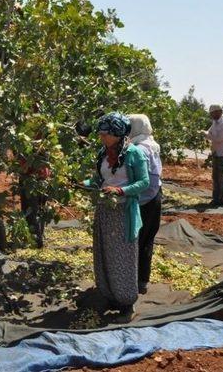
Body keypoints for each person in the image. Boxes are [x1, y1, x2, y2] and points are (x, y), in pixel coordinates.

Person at [83, 112, 149, 322]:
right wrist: (79, 183)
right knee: (105, 254)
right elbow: (97, 179)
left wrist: (121, 191)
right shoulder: (103, 153)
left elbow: (144, 182)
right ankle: (111, 295)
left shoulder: (134, 154)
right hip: (104, 211)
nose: (101, 138)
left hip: (123, 213)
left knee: (123, 257)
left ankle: (127, 304)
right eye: (101, 134)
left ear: (117, 134)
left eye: (105, 134)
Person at [128, 114, 162, 295]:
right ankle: (142, 280)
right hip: (155, 196)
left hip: (144, 199)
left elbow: (145, 181)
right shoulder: (152, 144)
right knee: (147, 240)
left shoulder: (139, 148)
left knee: (137, 239)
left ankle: (134, 280)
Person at [201, 104, 223, 207]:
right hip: (216, 154)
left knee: (222, 178)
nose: (211, 115)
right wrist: (203, 133)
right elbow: (210, 132)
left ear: (219, 111)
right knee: (215, 177)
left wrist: (206, 135)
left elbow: (219, 139)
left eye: (212, 113)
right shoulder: (215, 122)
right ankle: (216, 199)